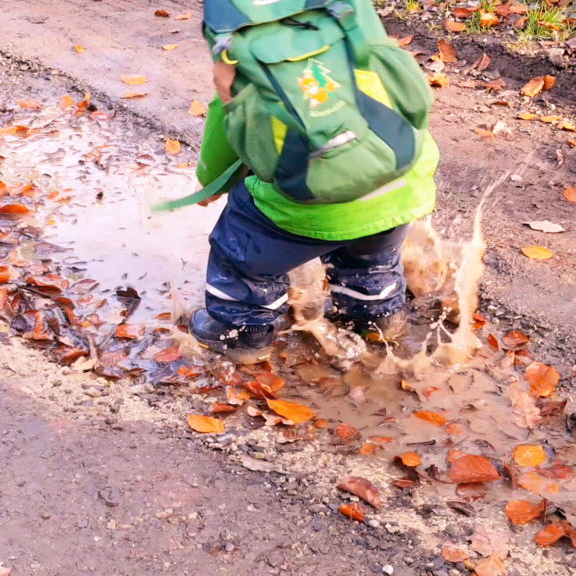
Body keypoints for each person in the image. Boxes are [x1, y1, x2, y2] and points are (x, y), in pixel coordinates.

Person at [187, 0, 441, 364]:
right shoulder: (354, 18)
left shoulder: (241, 56)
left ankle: (243, 331)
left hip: (307, 205)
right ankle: (377, 315)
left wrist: (209, 182)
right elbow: (413, 96)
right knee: (370, 257)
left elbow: (226, 133)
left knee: (240, 249)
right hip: (399, 184)